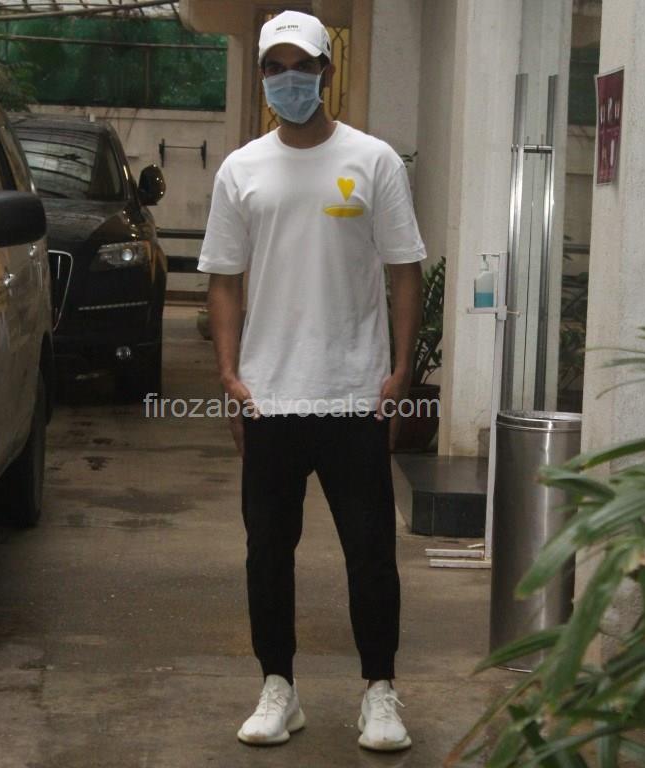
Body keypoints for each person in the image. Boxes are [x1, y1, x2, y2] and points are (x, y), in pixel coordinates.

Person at [198, 9, 426, 752]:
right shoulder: (241, 170)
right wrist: (230, 375)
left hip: (354, 392)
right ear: (263, 75)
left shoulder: (374, 161)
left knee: (371, 551)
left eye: (301, 66)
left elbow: (405, 270)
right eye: (275, 67)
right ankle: (279, 688)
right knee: (268, 551)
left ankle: (379, 692)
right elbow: (224, 279)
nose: (288, 79)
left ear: (327, 72)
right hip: (270, 395)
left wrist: (400, 371)